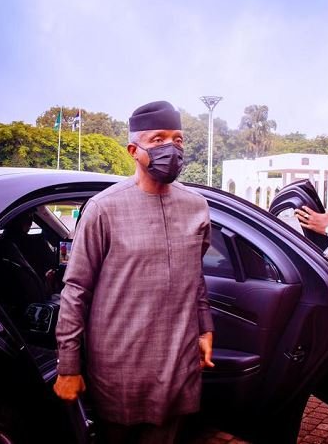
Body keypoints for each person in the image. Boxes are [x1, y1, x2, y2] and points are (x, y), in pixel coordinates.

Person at [53, 101, 214, 444]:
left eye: (178, 139)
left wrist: (204, 329)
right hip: (118, 365)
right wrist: (68, 365)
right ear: (133, 150)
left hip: (178, 359)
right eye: (158, 139)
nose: (171, 148)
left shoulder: (196, 207)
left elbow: (194, 277)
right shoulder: (103, 209)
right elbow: (75, 289)